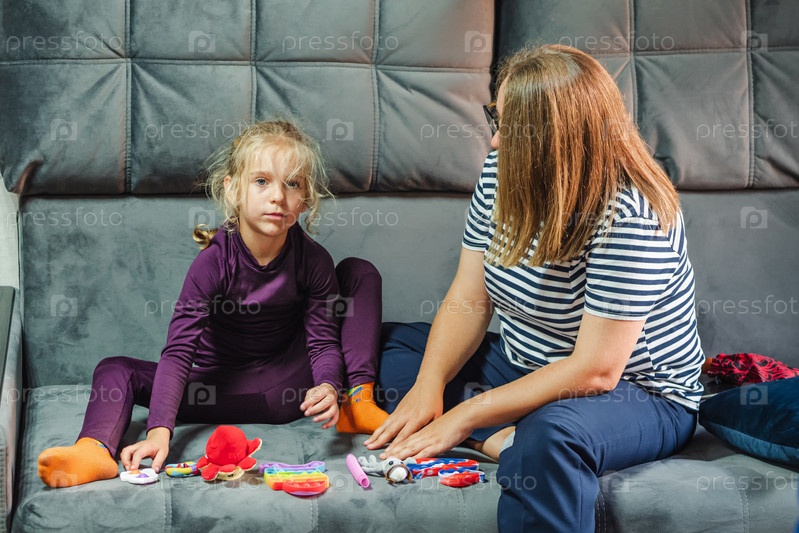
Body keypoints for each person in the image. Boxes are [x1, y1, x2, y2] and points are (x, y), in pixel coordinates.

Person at [366, 44, 704, 532]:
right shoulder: (499, 174)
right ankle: (506, 442)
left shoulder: (631, 213)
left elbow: (596, 371)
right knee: (392, 346)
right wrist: (428, 387)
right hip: (525, 365)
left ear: (555, 140)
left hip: (638, 395)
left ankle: (521, 441)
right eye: (496, 119)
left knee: (552, 437)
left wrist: (464, 415)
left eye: (510, 128)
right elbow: (470, 297)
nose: (495, 141)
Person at [38, 120, 388, 488]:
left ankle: (358, 402)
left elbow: (323, 342)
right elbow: (179, 352)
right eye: (262, 181)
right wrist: (159, 431)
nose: (278, 196)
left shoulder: (313, 260)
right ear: (232, 189)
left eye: (292, 183)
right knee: (115, 369)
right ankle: (94, 449)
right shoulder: (214, 262)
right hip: (213, 391)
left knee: (358, 272)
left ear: (305, 198)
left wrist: (328, 386)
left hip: (290, 390)